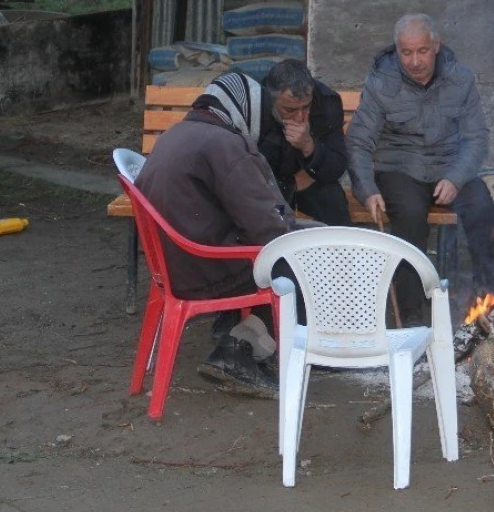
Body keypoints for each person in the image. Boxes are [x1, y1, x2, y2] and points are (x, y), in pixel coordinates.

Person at [136, 72, 296, 398]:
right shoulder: (225, 144)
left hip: (170, 266)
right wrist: (297, 237)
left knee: (276, 253)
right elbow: (267, 226)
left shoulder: (177, 133)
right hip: (201, 269)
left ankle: (242, 341)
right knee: (291, 261)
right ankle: (237, 352)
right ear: (245, 110)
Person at [347, 13, 494, 322]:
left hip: (450, 164)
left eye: (422, 51)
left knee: (482, 209)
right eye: (406, 52)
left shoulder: (461, 78)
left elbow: (476, 137)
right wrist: (366, 189)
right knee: (409, 215)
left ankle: (490, 301)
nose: (414, 61)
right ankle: (410, 312)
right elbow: (359, 141)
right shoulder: (381, 82)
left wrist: (456, 178)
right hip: (400, 167)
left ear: (436, 46)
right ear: (396, 50)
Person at [258, 59, 350, 227]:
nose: (300, 117)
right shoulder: (256, 101)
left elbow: (337, 164)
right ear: (272, 100)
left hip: (309, 179)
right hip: (267, 186)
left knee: (334, 200)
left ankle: (340, 251)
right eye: (290, 110)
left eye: (306, 107)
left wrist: (309, 146)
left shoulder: (326, 102)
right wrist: (289, 184)